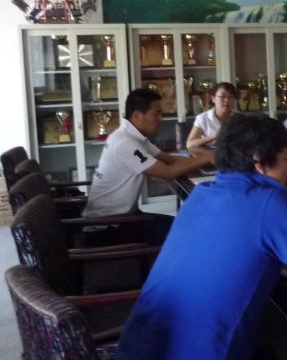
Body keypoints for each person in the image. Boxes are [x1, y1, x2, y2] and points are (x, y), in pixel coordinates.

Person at [117, 113, 287, 360]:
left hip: (139, 348)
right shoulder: (268, 202)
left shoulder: (202, 194)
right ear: (259, 161)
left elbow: (254, 238)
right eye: (284, 159)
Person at [82, 88, 214, 246]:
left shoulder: (133, 136)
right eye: (156, 114)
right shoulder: (125, 142)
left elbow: (169, 160)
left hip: (126, 218)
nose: (160, 119)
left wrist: (207, 161)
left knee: (185, 226)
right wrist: (207, 157)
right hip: (108, 230)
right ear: (137, 116)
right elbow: (168, 173)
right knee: (188, 232)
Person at [186, 82, 237, 153]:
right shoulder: (203, 118)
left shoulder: (240, 118)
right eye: (222, 96)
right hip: (211, 154)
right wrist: (215, 136)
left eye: (230, 97)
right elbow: (190, 144)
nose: (227, 100)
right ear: (213, 99)